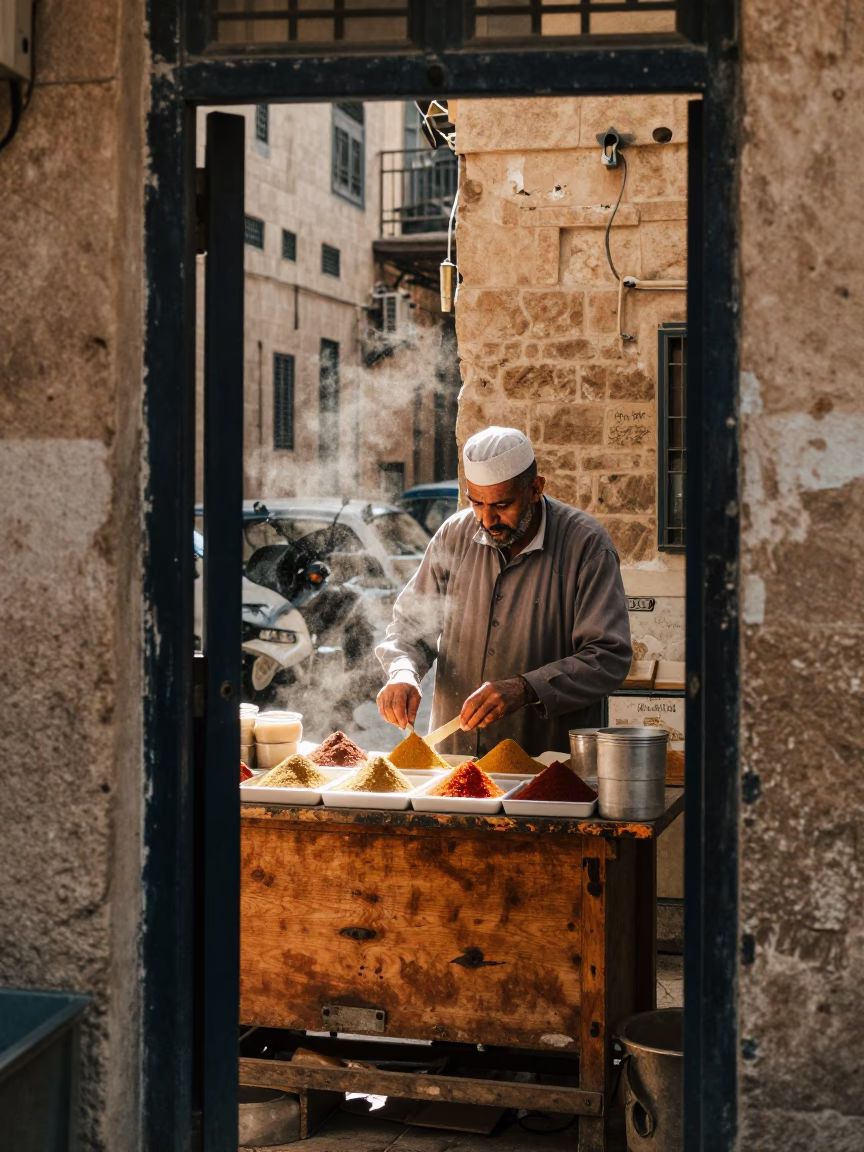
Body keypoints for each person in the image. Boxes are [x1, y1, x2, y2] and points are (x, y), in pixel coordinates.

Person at [375, 426, 632, 757]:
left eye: (502, 504)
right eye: (476, 503)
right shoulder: (453, 535)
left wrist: (525, 689)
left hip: (546, 761)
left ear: (535, 489)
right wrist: (402, 673)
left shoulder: (586, 545)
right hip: (457, 758)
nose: (487, 519)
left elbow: (608, 656)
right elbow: (409, 631)